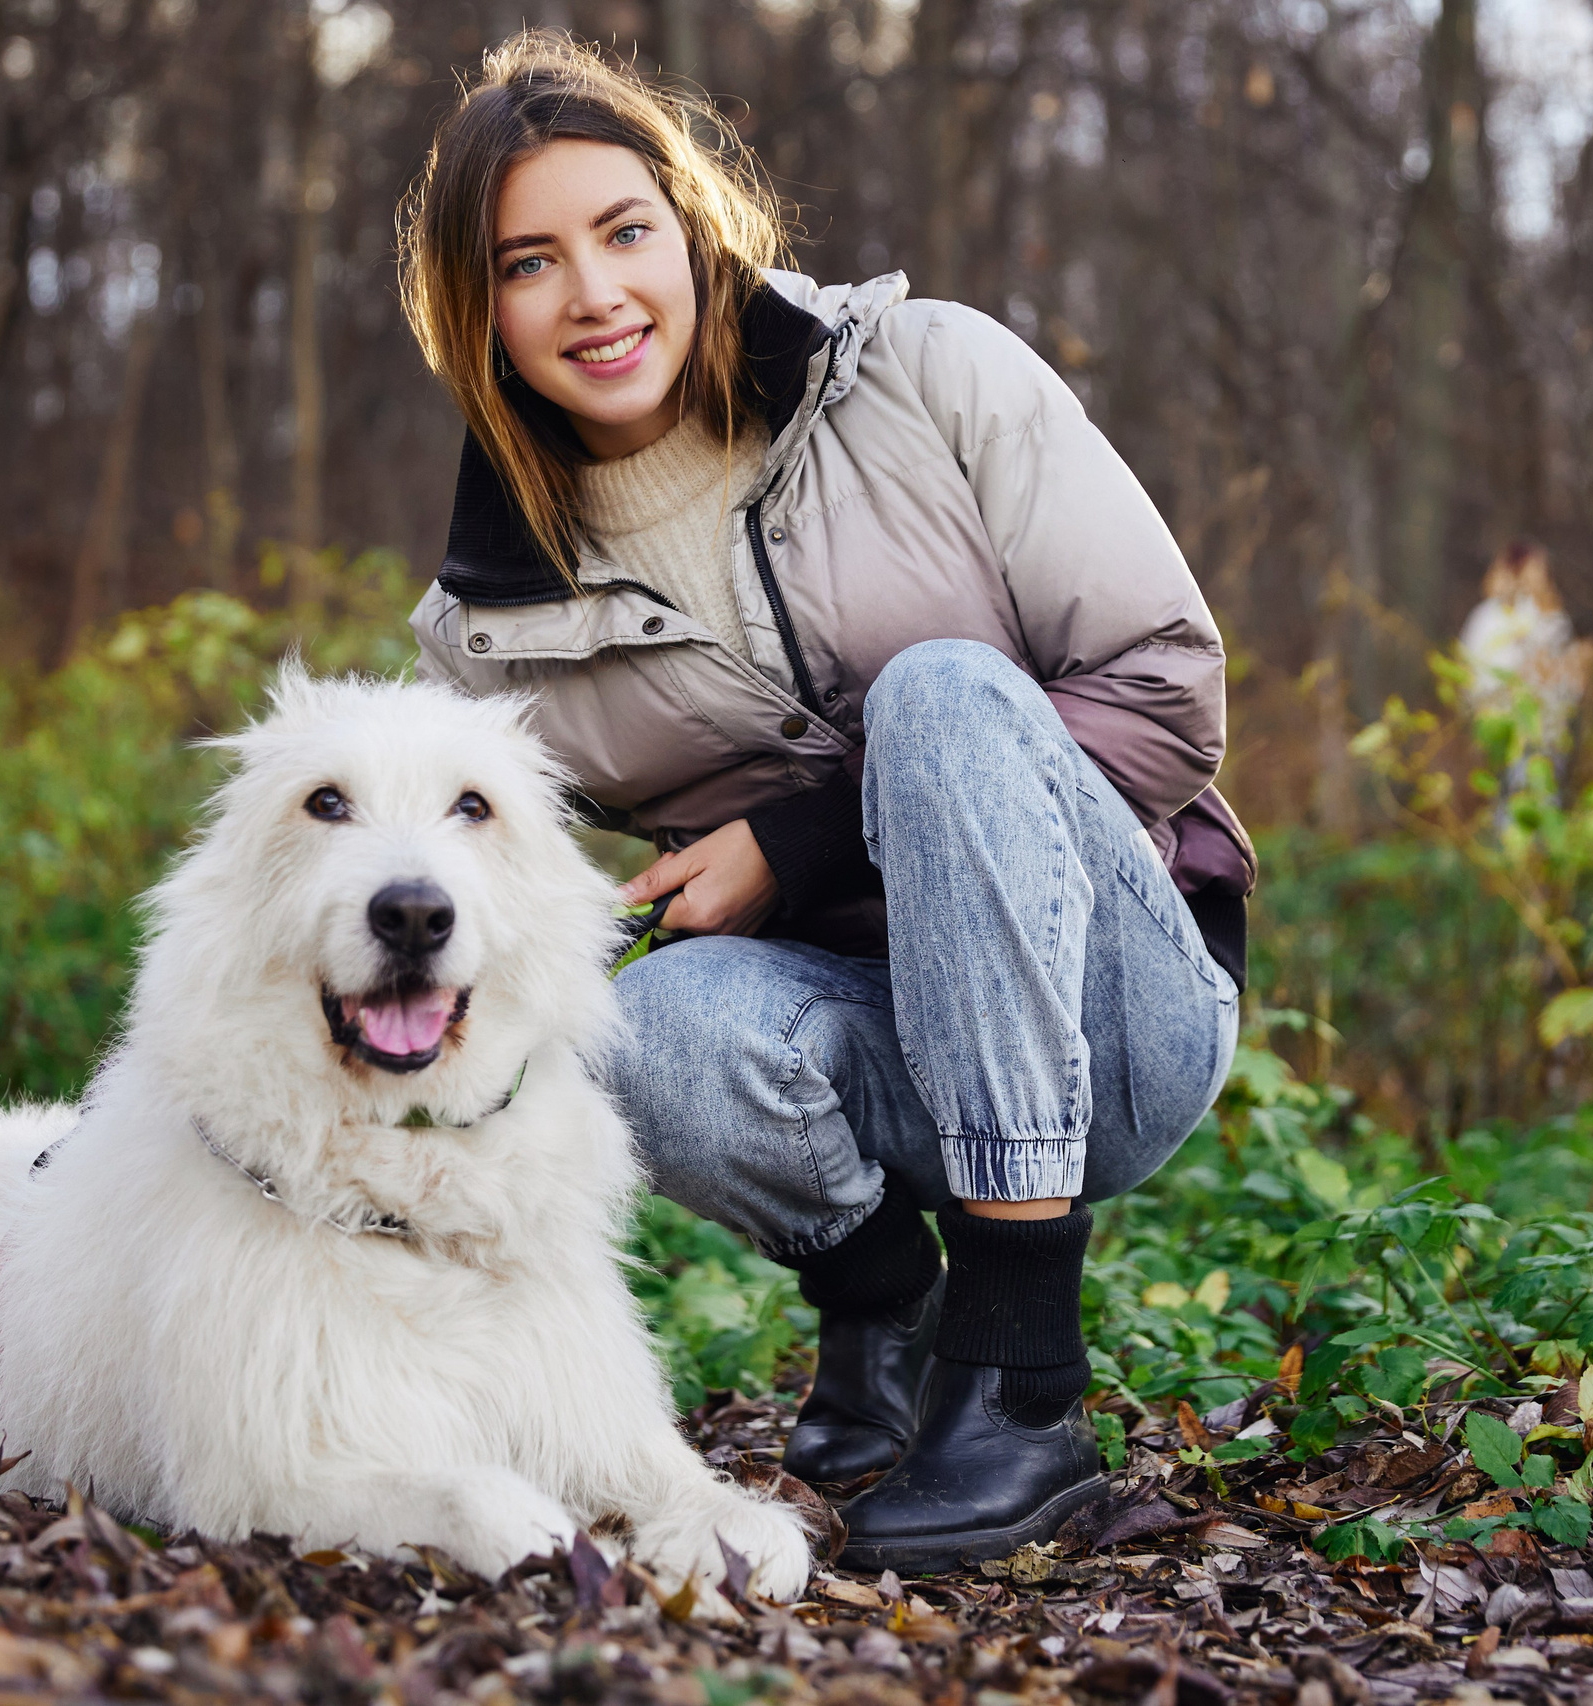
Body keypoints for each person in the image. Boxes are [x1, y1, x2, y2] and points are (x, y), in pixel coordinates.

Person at [400, 32, 1254, 1570]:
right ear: (479, 316)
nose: (594, 294)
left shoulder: (926, 374)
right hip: (871, 1045)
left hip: (1116, 1005)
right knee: (636, 1021)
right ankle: (890, 1316)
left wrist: (789, 847)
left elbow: (1162, 683)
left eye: (623, 232)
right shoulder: (487, 638)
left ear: (690, 225)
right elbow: (433, 926)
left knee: (942, 690)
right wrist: (95, 1194)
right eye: (530, 263)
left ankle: (1021, 1384)